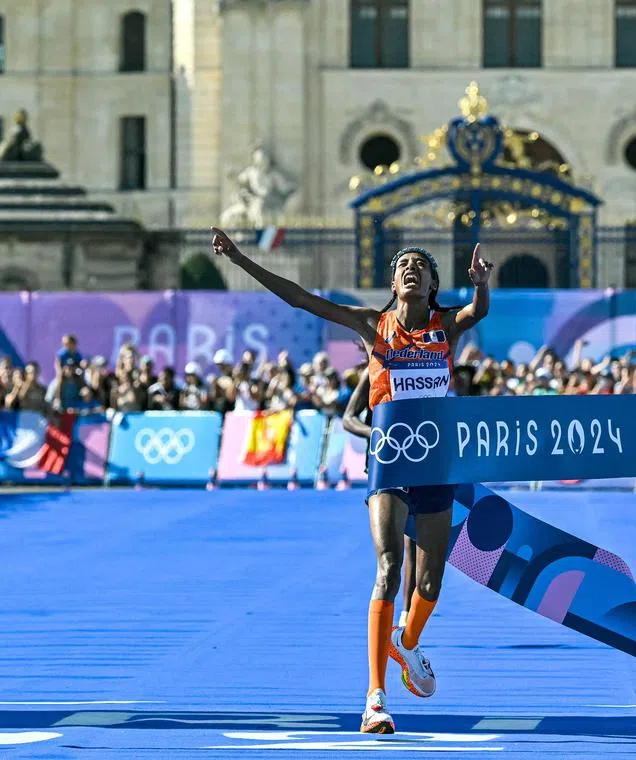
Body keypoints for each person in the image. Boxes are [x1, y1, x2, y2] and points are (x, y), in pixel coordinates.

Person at [211, 226, 492, 735]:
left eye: (421, 267)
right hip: (390, 463)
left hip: (435, 465)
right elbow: (299, 298)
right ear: (393, 281)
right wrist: (238, 258)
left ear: (431, 285)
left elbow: (478, 312)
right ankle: (375, 697)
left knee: (429, 582)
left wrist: (480, 285)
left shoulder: (444, 327)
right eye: (403, 265)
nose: (410, 270)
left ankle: (407, 641)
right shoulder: (372, 326)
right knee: (388, 568)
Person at [341, 372, 418, 631]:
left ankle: (407, 614)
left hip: (422, 458)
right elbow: (348, 419)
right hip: (383, 463)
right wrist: (377, 432)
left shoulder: (430, 360)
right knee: (390, 555)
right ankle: (391, 614)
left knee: (415, 543)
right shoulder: (375, 368)